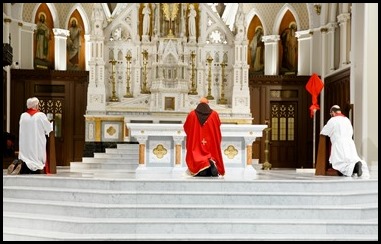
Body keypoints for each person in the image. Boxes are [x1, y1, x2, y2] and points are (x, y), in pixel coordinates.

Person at [320, 105, 369, 178]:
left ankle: (355, 167)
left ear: (333, 112)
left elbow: (324, 131)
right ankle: (357, 165)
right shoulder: (347, 120)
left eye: (331, 114)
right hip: (350, 144)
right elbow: (351, 131)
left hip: (339, 144)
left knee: (340, 163)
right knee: (351, 159)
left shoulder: (333, 120)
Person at [10, 97, 53, 175]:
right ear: (36, 105)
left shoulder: (23, 116)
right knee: (36, 161)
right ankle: (34, 167)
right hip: (36, 144)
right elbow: (49, 129)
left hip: (25, 145)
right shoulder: (40, 115)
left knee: (26, 157)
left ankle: (20, 164)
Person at [183, 97, 225, 177]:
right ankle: (210, 164)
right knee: (211, 151)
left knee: (196, 152)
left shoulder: (192, 114)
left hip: (196, 142)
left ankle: (201, 169)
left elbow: (186, 127)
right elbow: (217, 128)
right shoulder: (214, 114)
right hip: (210, 142)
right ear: (207, 104)